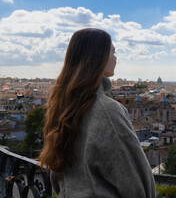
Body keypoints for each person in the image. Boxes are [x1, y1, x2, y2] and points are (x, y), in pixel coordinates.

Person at [39, 28, 155, 198]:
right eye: (113, 52)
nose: (116, 58)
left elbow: (56, 177)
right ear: (99, 57)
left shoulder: (62, 106)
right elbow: (138, 184)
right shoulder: (108, 111)